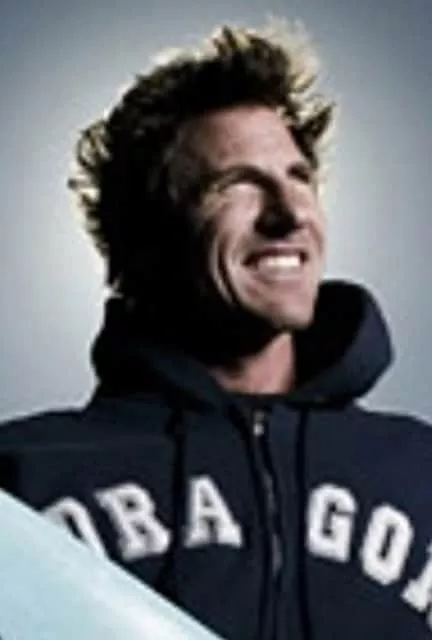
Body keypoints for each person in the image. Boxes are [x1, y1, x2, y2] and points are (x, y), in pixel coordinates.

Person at [1, 20, 432, 640]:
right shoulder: (22, 483)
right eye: (236, 186)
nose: (289, 215)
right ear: (146, 238)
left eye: (299, 178)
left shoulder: (419, 470)